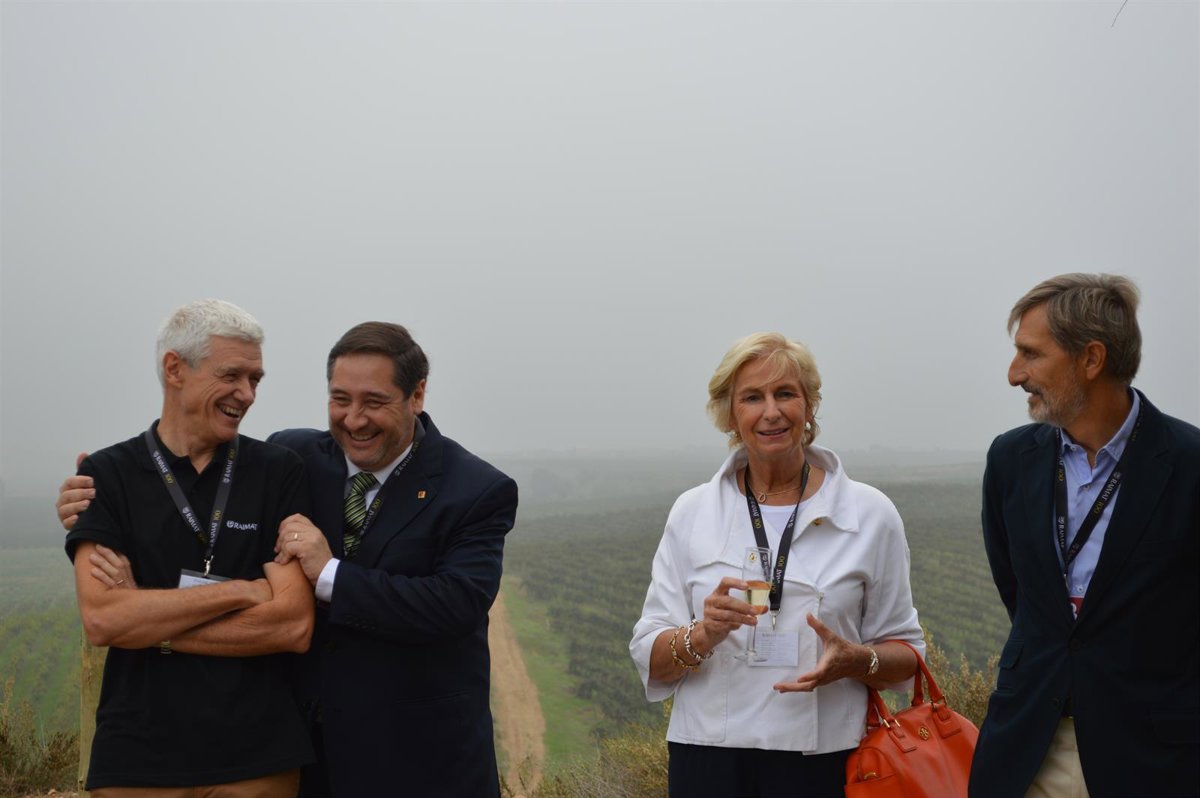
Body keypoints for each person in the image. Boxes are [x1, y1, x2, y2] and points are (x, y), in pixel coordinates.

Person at [629, 332, 923, 798]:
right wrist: (702, 634)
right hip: (708, 760)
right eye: (752, 397)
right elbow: (650, 656)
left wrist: (856, 660)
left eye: (785, 393)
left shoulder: (869, 513)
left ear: (809, 406)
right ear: (730, 414)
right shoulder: (693, 512)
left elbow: (908, 658)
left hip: (827, 759)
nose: (771, 412)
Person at [63, 299, 315, 796]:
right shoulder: (105, 475)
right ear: (175, 369)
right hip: (138, 762)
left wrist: (148, 623)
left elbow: (292, 625)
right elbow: (104, 620)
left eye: (255, 379)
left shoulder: (279, 471)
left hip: (258, 759)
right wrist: (243, 591)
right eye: (231, 375)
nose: (247, 394)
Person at [970, 274, 1200, 798]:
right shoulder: (1010, 459)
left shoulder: (1189, 466)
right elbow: (1022, 595)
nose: (1014, 374)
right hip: (1025, 750)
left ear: (1091, 359)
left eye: (1031, 354)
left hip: (1154, 760)